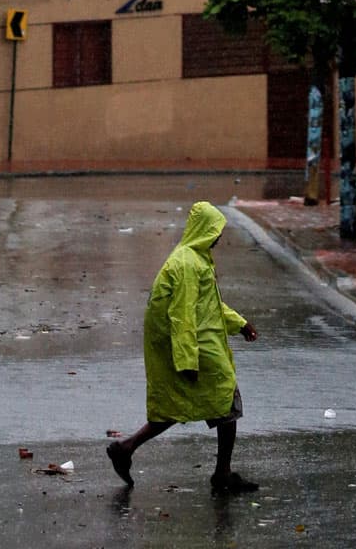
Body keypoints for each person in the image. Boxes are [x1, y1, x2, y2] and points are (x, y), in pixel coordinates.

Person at [107, 201, 259, 496]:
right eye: (215, 231)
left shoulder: (195, 259)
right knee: (225, 398)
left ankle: (125, 448)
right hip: (195, 345)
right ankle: (222, 474)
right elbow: (183, 314)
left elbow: (208, 306)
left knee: (180, 404)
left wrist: (239, 324)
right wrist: (187, 360)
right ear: (204, 230)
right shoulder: (188, 263)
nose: (219, 237)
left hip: (194, 342)